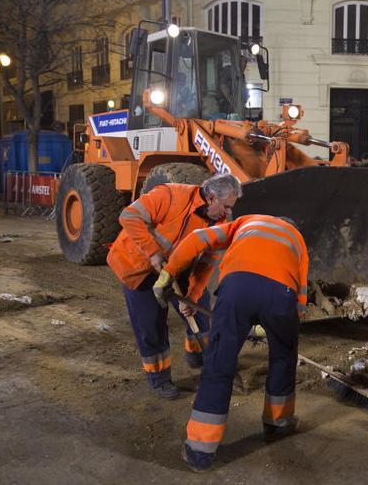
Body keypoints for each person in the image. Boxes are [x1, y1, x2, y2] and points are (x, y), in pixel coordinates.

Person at [153, 214, 308, 472]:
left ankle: (200, 452)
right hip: (281, 294)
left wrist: (168, 273)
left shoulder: (245, 222)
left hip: (236, 287)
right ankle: (278, 424)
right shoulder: (298, 241)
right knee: (283, 357)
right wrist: (278, 325)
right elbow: (300, 296)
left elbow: (196, 239)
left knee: (219, 362)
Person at [106, 173, 241, 399]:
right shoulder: (169, 194)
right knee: (151, 323)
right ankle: (159, 379)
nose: (228, 212)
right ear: (210, 197)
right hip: (139, 267)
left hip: (179, 267)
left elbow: (207, 263)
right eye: (225, 206)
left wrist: (194, 294)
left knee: (198, 310)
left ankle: (198, 355)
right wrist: (153, 253)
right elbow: (128, 216)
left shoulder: (222, 222)